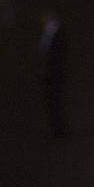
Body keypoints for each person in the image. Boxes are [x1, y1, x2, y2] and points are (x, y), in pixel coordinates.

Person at [39, 9, 69, 138]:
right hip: (50, 73)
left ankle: (59, 130)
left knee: (55, 101)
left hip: (55, 72)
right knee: (51, 102)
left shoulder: (58, 32)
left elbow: (59, 54)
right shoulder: (47, 31)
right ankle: (56, 128)